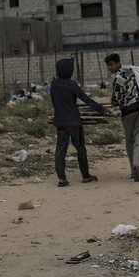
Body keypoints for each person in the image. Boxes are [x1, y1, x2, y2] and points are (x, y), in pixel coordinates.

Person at [50, 59, 107, 187]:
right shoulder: (72, 84)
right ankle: (86, 176)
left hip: (60, 122)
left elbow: (55, 102)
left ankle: (62, 179)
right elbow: (86, 100)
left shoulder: (54, 84)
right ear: (69, 71)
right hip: (74, 122)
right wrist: (102, 110)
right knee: (80, 148)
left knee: (60, 149)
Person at [105, 54, 139, 182]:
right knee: (138, 139)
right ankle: (136, 166)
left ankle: (133, 170)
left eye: (111, 64)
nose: (110, 68)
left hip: (128, 112)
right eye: (108, 65)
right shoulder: (133, 72)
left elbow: (116, 99)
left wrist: (111, 104)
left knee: (129, 140)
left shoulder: (118, 78)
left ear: (118, 63)